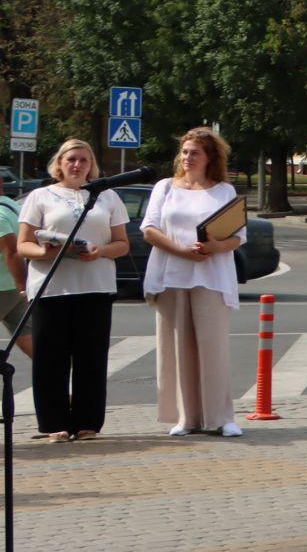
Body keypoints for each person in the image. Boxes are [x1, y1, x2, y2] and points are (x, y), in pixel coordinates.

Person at [17, 140, 128, 442]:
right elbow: (23, 244)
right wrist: (46, 252)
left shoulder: (107, 196)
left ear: (92, 165)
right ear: (59, 164)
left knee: (90, 358)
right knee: (51, 359)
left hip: (96, 286)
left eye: (83, 160)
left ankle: (87, 422)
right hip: (51, 287)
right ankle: (55, 423)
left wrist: (99, 251)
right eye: (71, 160)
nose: (77, 165)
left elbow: (122, 244)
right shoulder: (41, 196)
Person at [142, 127, 247, 437]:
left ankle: (222, 417)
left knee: (213, 346)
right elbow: (149, 229)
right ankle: (186, 418)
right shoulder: (165, 187)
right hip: (171, 275)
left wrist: (214, 247)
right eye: (185, 152)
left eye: (195, 153)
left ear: (209, 158)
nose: (187, 157)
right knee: (177, 348)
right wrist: (181, 251)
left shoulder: (223, 191)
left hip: (211, 277)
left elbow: (238, 236)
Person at [0, 187, 34, 366]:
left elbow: (11, 251)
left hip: (5, 287)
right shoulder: (12, 206)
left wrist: (22, 285)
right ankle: (60, 388)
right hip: (16, 288)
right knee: (28, 339)